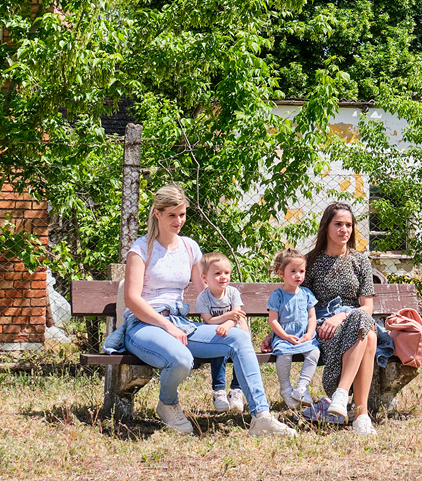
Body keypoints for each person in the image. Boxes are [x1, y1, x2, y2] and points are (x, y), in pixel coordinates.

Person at [120, 184, 295, 438]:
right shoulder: (141, 249)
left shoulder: (189, 247)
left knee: (239, 338)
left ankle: (261, 417)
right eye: (172, 215)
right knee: (181, 359)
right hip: (145, 324)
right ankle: (167, 403)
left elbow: (210, 293)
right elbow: (132, 299)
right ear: (157, 213)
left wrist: (236, 317)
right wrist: (166, 326)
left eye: (182, 214)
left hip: (180, 324)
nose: (179, 221)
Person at [297, 202, 380, 435]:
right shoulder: (310, 262)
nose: (345, 229)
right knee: (370, 337)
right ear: (326, 227)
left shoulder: (360, 261)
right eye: (339, 224)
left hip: (353, 318)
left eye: (349, 225)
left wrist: (343, 315)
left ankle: (341, 396)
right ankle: (360, 415)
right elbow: (298, 302)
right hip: (324, 326)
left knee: (364, 326)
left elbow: (367, 306)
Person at [192, 254, 249, 412]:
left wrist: (229, 322)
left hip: (233, 331)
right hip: (215, 334)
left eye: (226, 273)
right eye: (217, 274)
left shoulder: (232, 293)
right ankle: (219, 391)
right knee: (218, 352)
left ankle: (236, 391)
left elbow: (237, 315)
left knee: (240, 351)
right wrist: (227, 318)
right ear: (205, 278)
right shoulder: (204, 297)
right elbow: (209, 320)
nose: (223, 277)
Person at [265, 249, 320, 407]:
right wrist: (285, 336)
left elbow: (312, 317)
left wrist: (310, 334)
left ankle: (302, 387)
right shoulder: (278, 295)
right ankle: (285, 388)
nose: (298, 275)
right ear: (281, 273)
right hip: (284, 338)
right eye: (293, 271)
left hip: (303, 337)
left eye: (302, 271)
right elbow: (273, 321)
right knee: (284, 355)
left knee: (314, 352)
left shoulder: (306, 294)